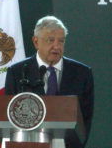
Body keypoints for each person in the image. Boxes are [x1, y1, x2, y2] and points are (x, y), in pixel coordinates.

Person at [5, 16, 94, 148]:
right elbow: (10, 117)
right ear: (36, 42)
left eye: (61, 41)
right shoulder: (17, 72)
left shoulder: (82, 73)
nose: (56, 46)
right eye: (50, 40)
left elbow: (85, 121)